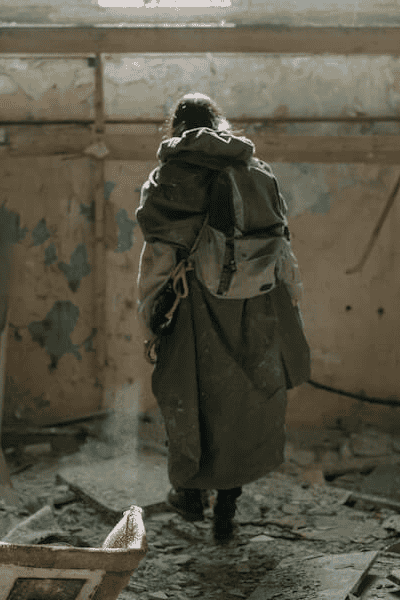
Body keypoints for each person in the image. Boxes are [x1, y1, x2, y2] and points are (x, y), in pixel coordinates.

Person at [136, 92, 311, 543]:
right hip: (255, 308)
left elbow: (158, 255)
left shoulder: (169, 178)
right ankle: (226, 513)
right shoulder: (257, 172)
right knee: (243, 406)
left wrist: (151, 316)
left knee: (187, 397)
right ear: (220, 123)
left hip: (191, 305)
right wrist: (290, 304)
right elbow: (282, 250)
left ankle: (191, 495)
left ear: (175, 126)